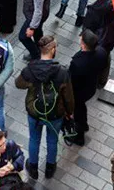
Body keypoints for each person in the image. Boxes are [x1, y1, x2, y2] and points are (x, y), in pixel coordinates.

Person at [15, 36, 74, 181]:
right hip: (55, 114)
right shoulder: (62, 72)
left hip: (34, 113)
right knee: (52, 140)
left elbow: (18, 84)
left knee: (34, 139)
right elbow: (68, 97)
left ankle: (33, 168)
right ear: (53, 50)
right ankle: (49, 168)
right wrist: (69, 112)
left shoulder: (30, 69)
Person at [67, 29, 107, 146]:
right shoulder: (101, 52)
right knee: (81, 108)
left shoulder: (78, 62)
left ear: (83, 44)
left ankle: (80, 136)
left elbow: (72, 80)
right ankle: (83, 125)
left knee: (78, 111)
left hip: (78, 92)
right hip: (90, 87)